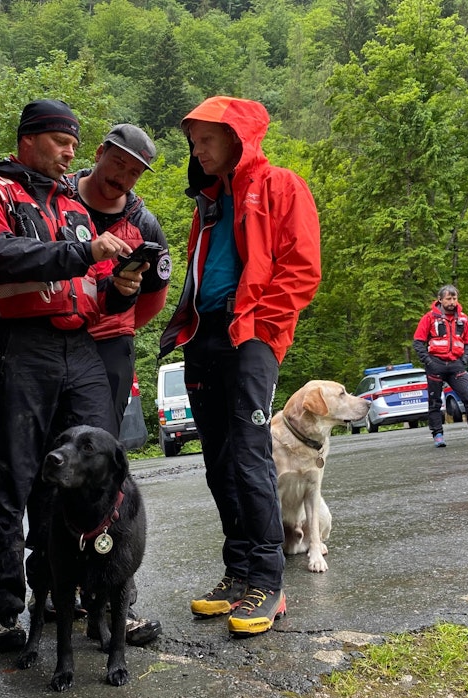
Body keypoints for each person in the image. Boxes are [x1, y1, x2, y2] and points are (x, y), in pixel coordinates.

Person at [0, 99, 143, 653]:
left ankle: (107, 601)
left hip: (80, 347)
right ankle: (3, 611)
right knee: (13, 479)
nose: (71, 155)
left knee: (97, 472)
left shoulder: (71, 203)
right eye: (63, 142)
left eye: (73, 143)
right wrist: (81, 251)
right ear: (30, 140)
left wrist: (121, 285)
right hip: (22, 349)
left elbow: (97, 280)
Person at [159, 96, 322, 636]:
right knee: (217, 459)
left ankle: (268, 583)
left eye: (206, 139)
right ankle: (238, 573)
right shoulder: (207, 202)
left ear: (236, 136)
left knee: (251, 456)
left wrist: (258, 327)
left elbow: (301, 269)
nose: (197, 150)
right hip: (204, 336)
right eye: (194, 142)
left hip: (250, 336)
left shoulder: (281, 186)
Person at [70, 123, 171, 646]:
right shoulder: (61, 196)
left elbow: (155, 292)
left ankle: (113, 603)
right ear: (100, 154)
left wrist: (120, 323)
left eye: (134, 172)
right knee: (52, 466)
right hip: (52, 340)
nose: (124, 178)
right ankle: (51, 591)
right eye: (120, 164)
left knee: (104, 469)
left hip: (109, 346)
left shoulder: (142, 220)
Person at [412, 284, 468, 447]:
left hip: (456, 365)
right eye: (448, 298)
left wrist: (463, 360)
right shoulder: (429, 318)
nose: (452, 302)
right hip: (436, 364)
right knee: (435, 402)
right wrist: (428, 362)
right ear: (440, 300)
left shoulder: (463, 319)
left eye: (454, 298)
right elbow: (418, 342)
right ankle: (438, 435)